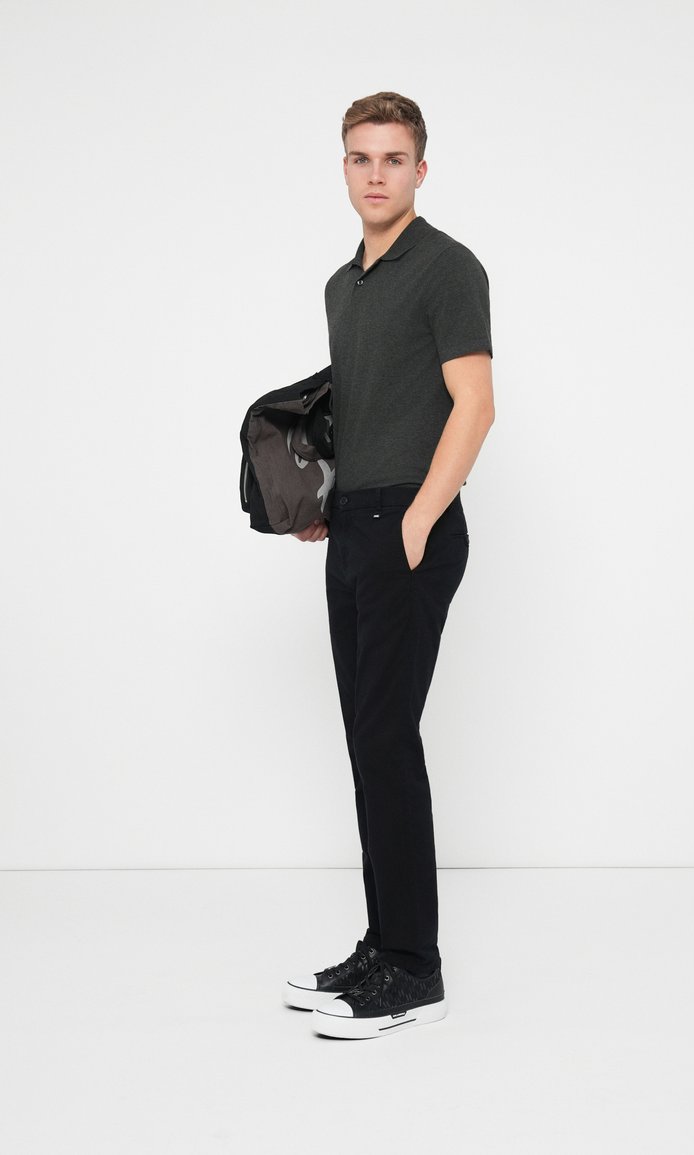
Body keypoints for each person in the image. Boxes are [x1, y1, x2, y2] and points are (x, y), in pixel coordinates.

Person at [283, 91, 494, 1039]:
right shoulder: (343, 284)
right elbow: (362, 407)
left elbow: (474, 404)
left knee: (387, 740)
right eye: (362, 157)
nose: (377, 174)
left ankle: (413, 968)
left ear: (420, 169)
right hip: (356, 526)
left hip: (413, 525)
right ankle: (381, 944)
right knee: (367, 743)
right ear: (344, 168)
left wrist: (417, 518)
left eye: (394, 158)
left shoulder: (448, 267)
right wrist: (324, 501)